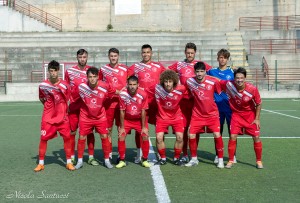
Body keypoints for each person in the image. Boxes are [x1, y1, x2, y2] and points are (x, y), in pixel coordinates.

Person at [168, 42, 212, 163]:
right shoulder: (179, 64)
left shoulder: (200, 65)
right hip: (182, 102)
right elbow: (167, 72)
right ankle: (185, 153)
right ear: (185, 53)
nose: (190, 55)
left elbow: (213, 72)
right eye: (188, 53)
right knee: (183, 128)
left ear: (195, 53)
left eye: (192, 53)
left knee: (194, 129)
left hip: (196, 102)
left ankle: (194, 153)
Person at [34, 60, 75, 172]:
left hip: (62, 118)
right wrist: (50, 109)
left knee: (67, 138)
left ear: (58, 71)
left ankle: (68, 163)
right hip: (48, 118)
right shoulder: (43, 85)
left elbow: (68, 99)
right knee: (43, 139)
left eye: (55, 71)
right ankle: (41, 163)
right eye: (51, 71)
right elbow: (41, 98)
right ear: (48, 72)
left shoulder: (65, 85)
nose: (53, 73)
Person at [128, 44, 165, 163]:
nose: (146, 54)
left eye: (148, 52)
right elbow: (126, 80)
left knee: (160, 128)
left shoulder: (158, 66)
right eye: (144, 52)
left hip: (156, 102)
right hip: (140, 103)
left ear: (151, 53)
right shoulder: (135, 67)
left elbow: (168, 78)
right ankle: (139, 153)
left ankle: (160, 153)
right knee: (140, 129)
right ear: (141, 53)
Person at [75, 67, 118, 169]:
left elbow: (115, 92)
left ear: (98, 77)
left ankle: (107, 160)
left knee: (104, 136)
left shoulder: (105, 86)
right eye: (90, 77)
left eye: (94, 76)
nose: (92, 79)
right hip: (85, 117)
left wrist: (127, 92)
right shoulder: (81, 87)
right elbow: (74, 97)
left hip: (100, 117)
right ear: (87, 77)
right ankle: (80, 161)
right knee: (81, 137)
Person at [221, 67, 263, 169]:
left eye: (241, 78)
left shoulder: (252, 89)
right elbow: (216, 81)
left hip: (250, 116)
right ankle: (231, 160)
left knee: (256, 137)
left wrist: (257, 119)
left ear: (245, 78)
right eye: (237, 78)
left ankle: (258, 161)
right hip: (236, 115)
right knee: (232, 136)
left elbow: (259, 103)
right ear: (234, 78)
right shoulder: (229, 84)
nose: (239, 80)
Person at [185, 61, 224, 168]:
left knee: (217, 134)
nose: (199, 74)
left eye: (202, 71)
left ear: (205, 72)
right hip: (197, 115)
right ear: (194, 72)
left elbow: (221, 92)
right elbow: (186, 92)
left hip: (212, 114)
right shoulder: (189, 81)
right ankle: (194, 159)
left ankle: (220, 159)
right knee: (191, 135)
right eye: (197, 71)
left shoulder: (213, 81)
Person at [65, 49, 98, 166]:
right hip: (74, 106)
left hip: (88, 107)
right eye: (80, 57)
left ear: (87, 57)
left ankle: (90, 156)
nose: (82, 59)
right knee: (72, 132)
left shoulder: (91, 71)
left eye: (84, 57)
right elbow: (66, 89)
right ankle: (73, 156)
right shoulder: (69, 71)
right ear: (77, 58)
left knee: (89, 132)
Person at [207, 48, 237, 164]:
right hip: (217, 108)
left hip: (230, 107)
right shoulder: (211, 71)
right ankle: (217, 155)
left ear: (228, 59)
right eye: (220, 57)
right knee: (217, 133)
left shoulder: (233, 72)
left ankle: (232, 155)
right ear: (217, 58)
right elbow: (202, 76)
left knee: (232, 133)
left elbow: (240, 82)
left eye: (224, 57)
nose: (222, 60)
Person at [99, 48, 129, 160]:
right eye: (111, 56)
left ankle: (121, 155)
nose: (113, 58)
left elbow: (130, 83)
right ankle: (109, 153)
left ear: (118, 56)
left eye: (115, 56)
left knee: (121, 129)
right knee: (108, 129)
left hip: (122, 103)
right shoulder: (103, 69)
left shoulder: (125, 69)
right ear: (108, 56)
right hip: (108, 104)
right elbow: (100, 84)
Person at [116, 76, 150, 168]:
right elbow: (122, 111)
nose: (132, 87)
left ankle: (145, 159)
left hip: (139, 120)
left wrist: (143, 127)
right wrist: (122, 127)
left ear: (138, 85)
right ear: (127, 85)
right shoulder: (123, 94)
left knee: (145, 136)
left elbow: (144, 111)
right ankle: (122, 160)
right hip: (127, 120)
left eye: (134, 84)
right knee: (121, 136)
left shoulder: (143, 94)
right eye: (130, 84)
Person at [154, 70, 186, 166]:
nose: (168, 84)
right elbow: (142, 89)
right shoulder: (157, 88)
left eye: (170, 81)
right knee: (159, 138)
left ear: (174, 82)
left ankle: (176, 158)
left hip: (177, 117)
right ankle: (163, 158)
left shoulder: (181, 89)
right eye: (166, 81)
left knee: (180, 137)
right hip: (162, 117)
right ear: (163, 81)